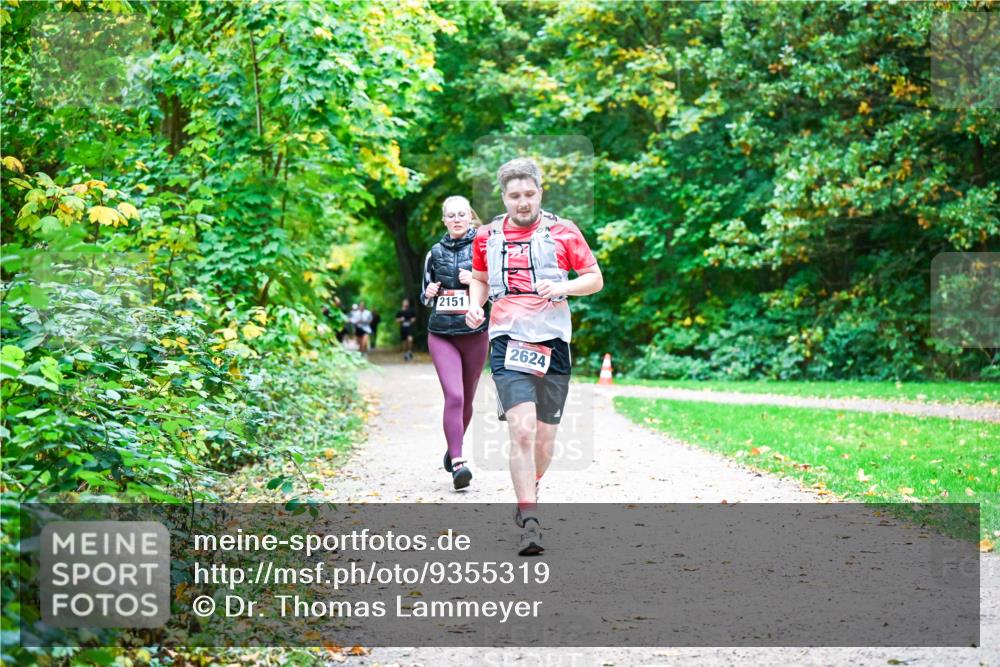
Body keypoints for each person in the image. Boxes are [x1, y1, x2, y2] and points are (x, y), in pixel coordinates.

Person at [465, 157, 603, 555]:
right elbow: (478, 277)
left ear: (540, 192)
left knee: (544, 441)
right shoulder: (487, 236)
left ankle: (532, 486)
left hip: (554, 343)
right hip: (508, 340)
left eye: (529, 194)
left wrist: (563, 289)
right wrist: (476, 305)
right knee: (521, 432)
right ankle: (530, 519)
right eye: (514, 196)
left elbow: (594, 279)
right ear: (503, 197)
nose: (522, 202)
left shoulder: (564, 232)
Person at [420, 195, 489, 490]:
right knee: (455, 396)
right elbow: (423, 296)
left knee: (468, 400)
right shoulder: (433, 253)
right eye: (452, 215)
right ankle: (459, 463)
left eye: (462, 214)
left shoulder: (483, 249)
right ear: (444, 220)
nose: (457, 219)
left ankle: (453, 446)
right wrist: (431, 292)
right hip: (441, 334)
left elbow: (497, 288)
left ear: (470, 217)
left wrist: (473, 278)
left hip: (474, 334)